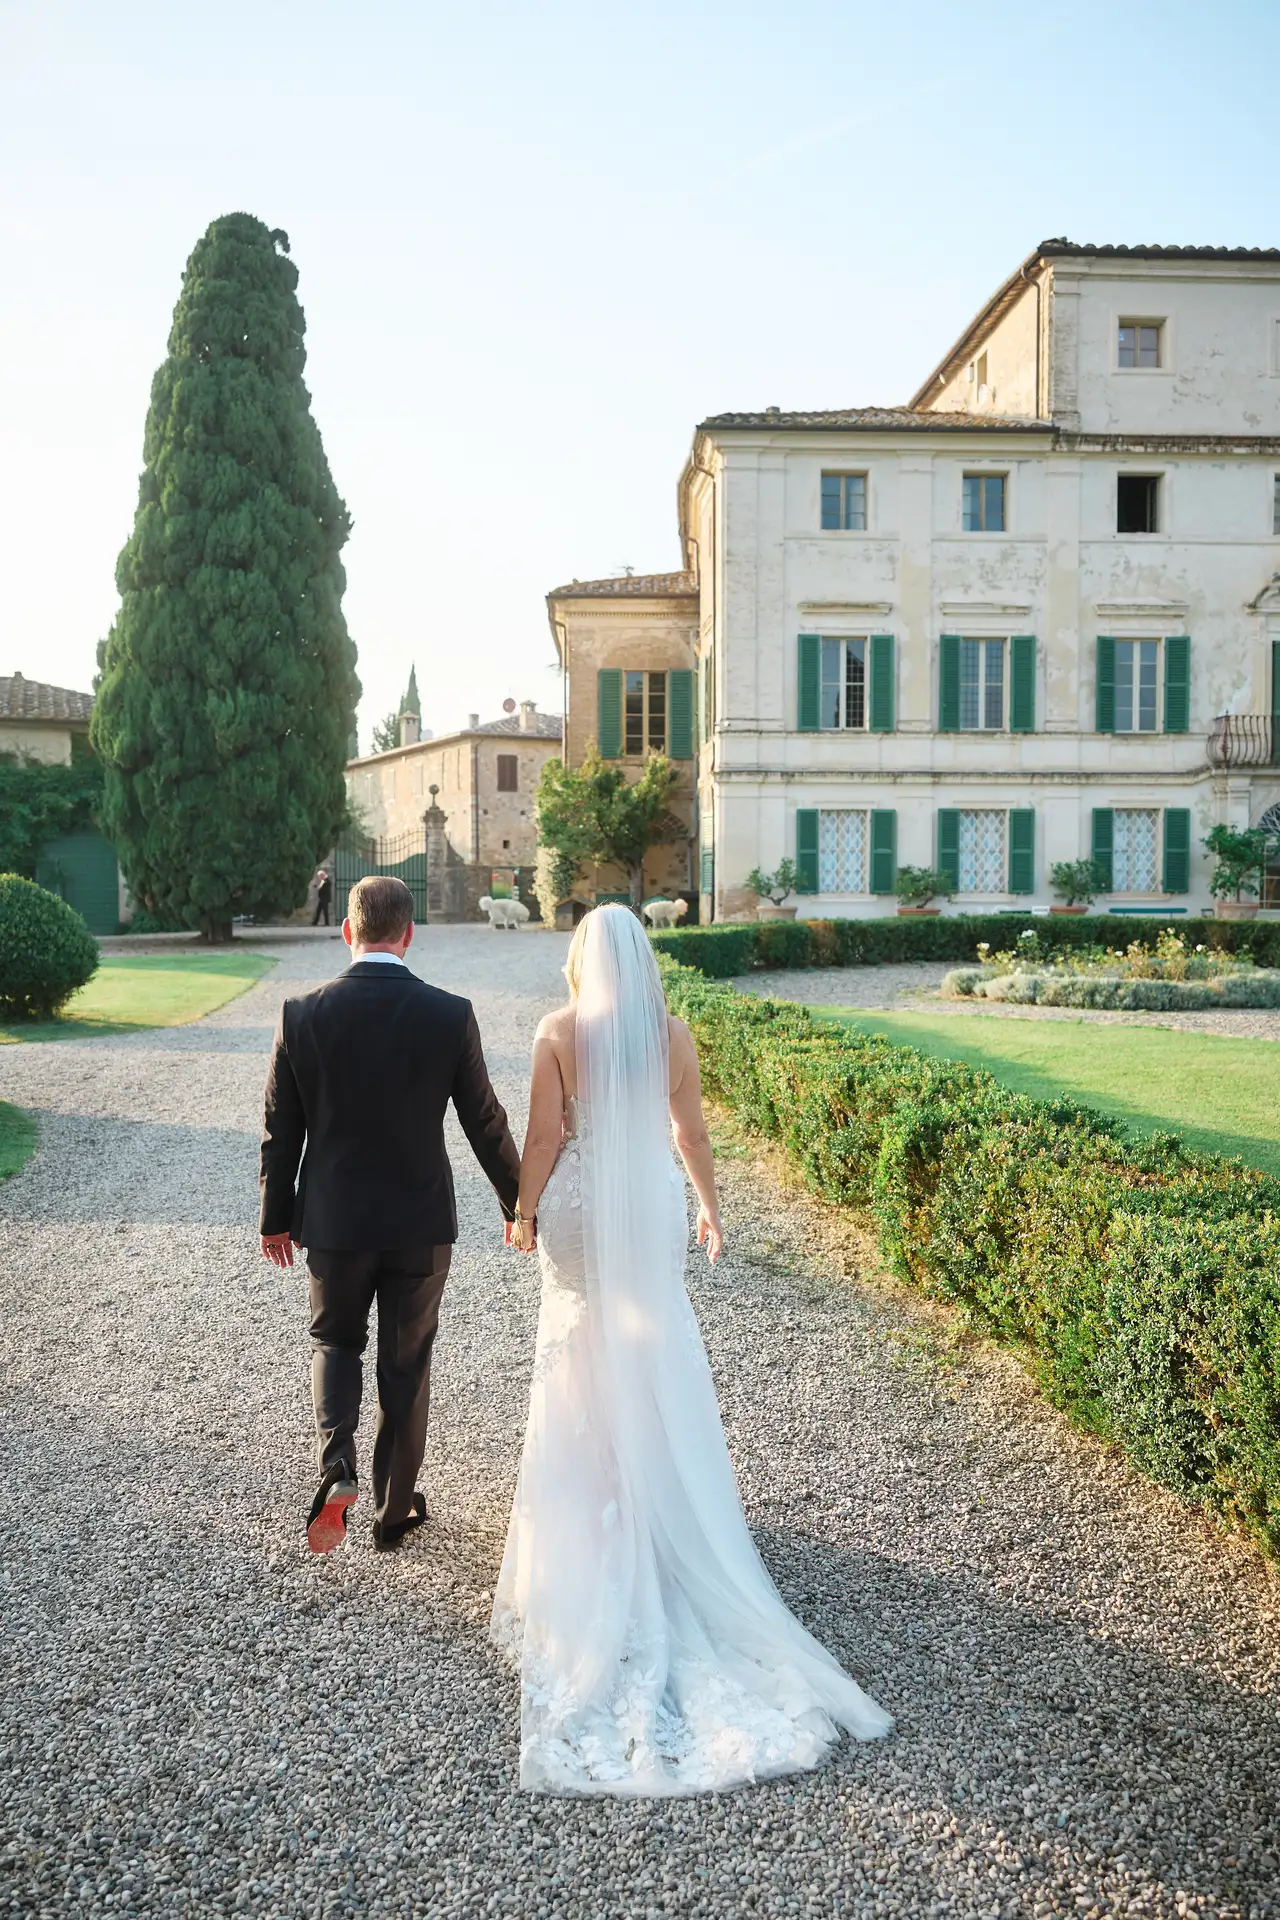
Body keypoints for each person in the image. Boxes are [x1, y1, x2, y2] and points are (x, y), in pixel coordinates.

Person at [493, 904, 892, 1794]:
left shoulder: (556, 1032)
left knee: (579, 1347)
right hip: (649, 1210)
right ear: (643, 960)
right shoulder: (672, 1033)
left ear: (581, 960)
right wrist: (709, 1205)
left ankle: (588, 1522)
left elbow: (549, 1139)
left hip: (581, 1216)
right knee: (654, 1343)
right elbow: (691, 1135)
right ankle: (666, 1504)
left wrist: (521, 1213)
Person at [259, 875, 520, 1553]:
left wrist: (274, 1218)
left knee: (335, 1342)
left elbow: (279, 1130)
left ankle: (337, 1464)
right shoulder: (449, 1013)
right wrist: (519, 1202)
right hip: (419, 1223)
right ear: (408, 934)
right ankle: (393, 1510)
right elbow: (484, 1122)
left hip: (335, 1222)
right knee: (406, 1364)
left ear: (347, 930)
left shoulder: (301, 1013)